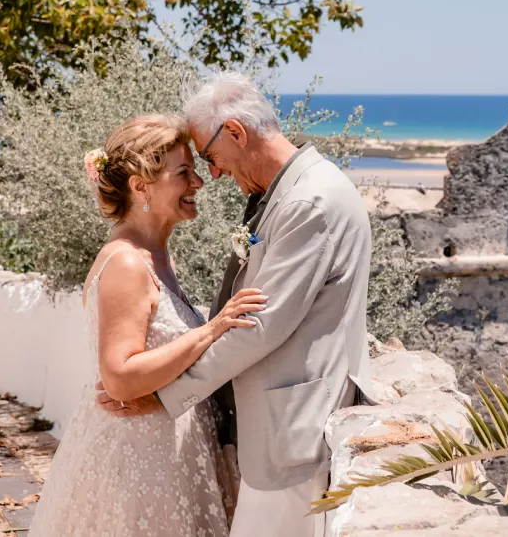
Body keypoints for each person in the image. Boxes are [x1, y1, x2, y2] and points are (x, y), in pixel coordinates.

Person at [98, 73, 375, 537]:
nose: (214, 175)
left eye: (208, 157)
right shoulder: (291, 192)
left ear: (235, 132)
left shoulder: (309, 201)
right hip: (276, 425)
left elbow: (260, 326)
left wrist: (166, 395)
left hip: (293, 430)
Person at [29, 114, 264, 537]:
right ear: (140, 187)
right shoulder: (126, 263)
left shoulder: (158, 258)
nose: (198, 183)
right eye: (184, 173)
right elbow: (119, 378)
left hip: (169, 455)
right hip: (137, 465)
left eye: (195, 169)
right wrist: (211, 330)